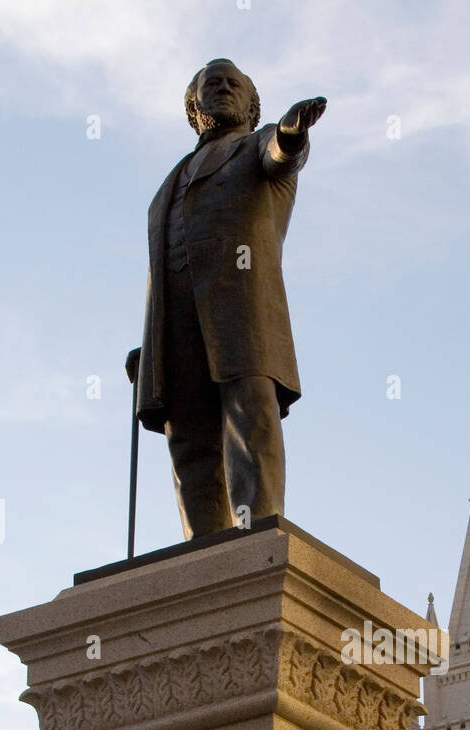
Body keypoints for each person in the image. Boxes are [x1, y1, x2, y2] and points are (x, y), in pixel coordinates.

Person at [136, 58, 326, 538]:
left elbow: (282, 153)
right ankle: (202, 548)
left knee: (249, 417)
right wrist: (149, 344)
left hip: (241, 313)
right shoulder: (166, 188)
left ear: (250, 104)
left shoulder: (255, 149)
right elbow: (159, 273)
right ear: (194, 106)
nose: (221, 89)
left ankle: (253, 536)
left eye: (232, 84)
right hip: (176, 325)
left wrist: (291, 132)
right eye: (211, 84)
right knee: (187, 438)